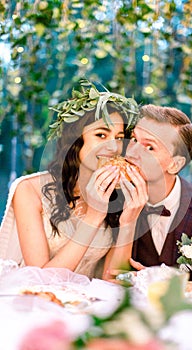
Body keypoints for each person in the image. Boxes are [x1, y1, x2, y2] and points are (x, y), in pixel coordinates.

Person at [0, 78, 144, 279]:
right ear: (75, 141)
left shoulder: (119, 194)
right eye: (101, 135)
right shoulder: (29, 190)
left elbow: (113, 279)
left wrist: (129, 220)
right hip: (37, 300)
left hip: (88, 303)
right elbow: (41, 280)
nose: (113, 147)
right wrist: (94, 216)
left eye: (119, 138)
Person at [104, 104, 192, 288]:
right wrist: (128, 223)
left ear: (174, 164)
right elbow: (110, 282)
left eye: (149, 148)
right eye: (133, 139)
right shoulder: (115, 199)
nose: (132, 152)